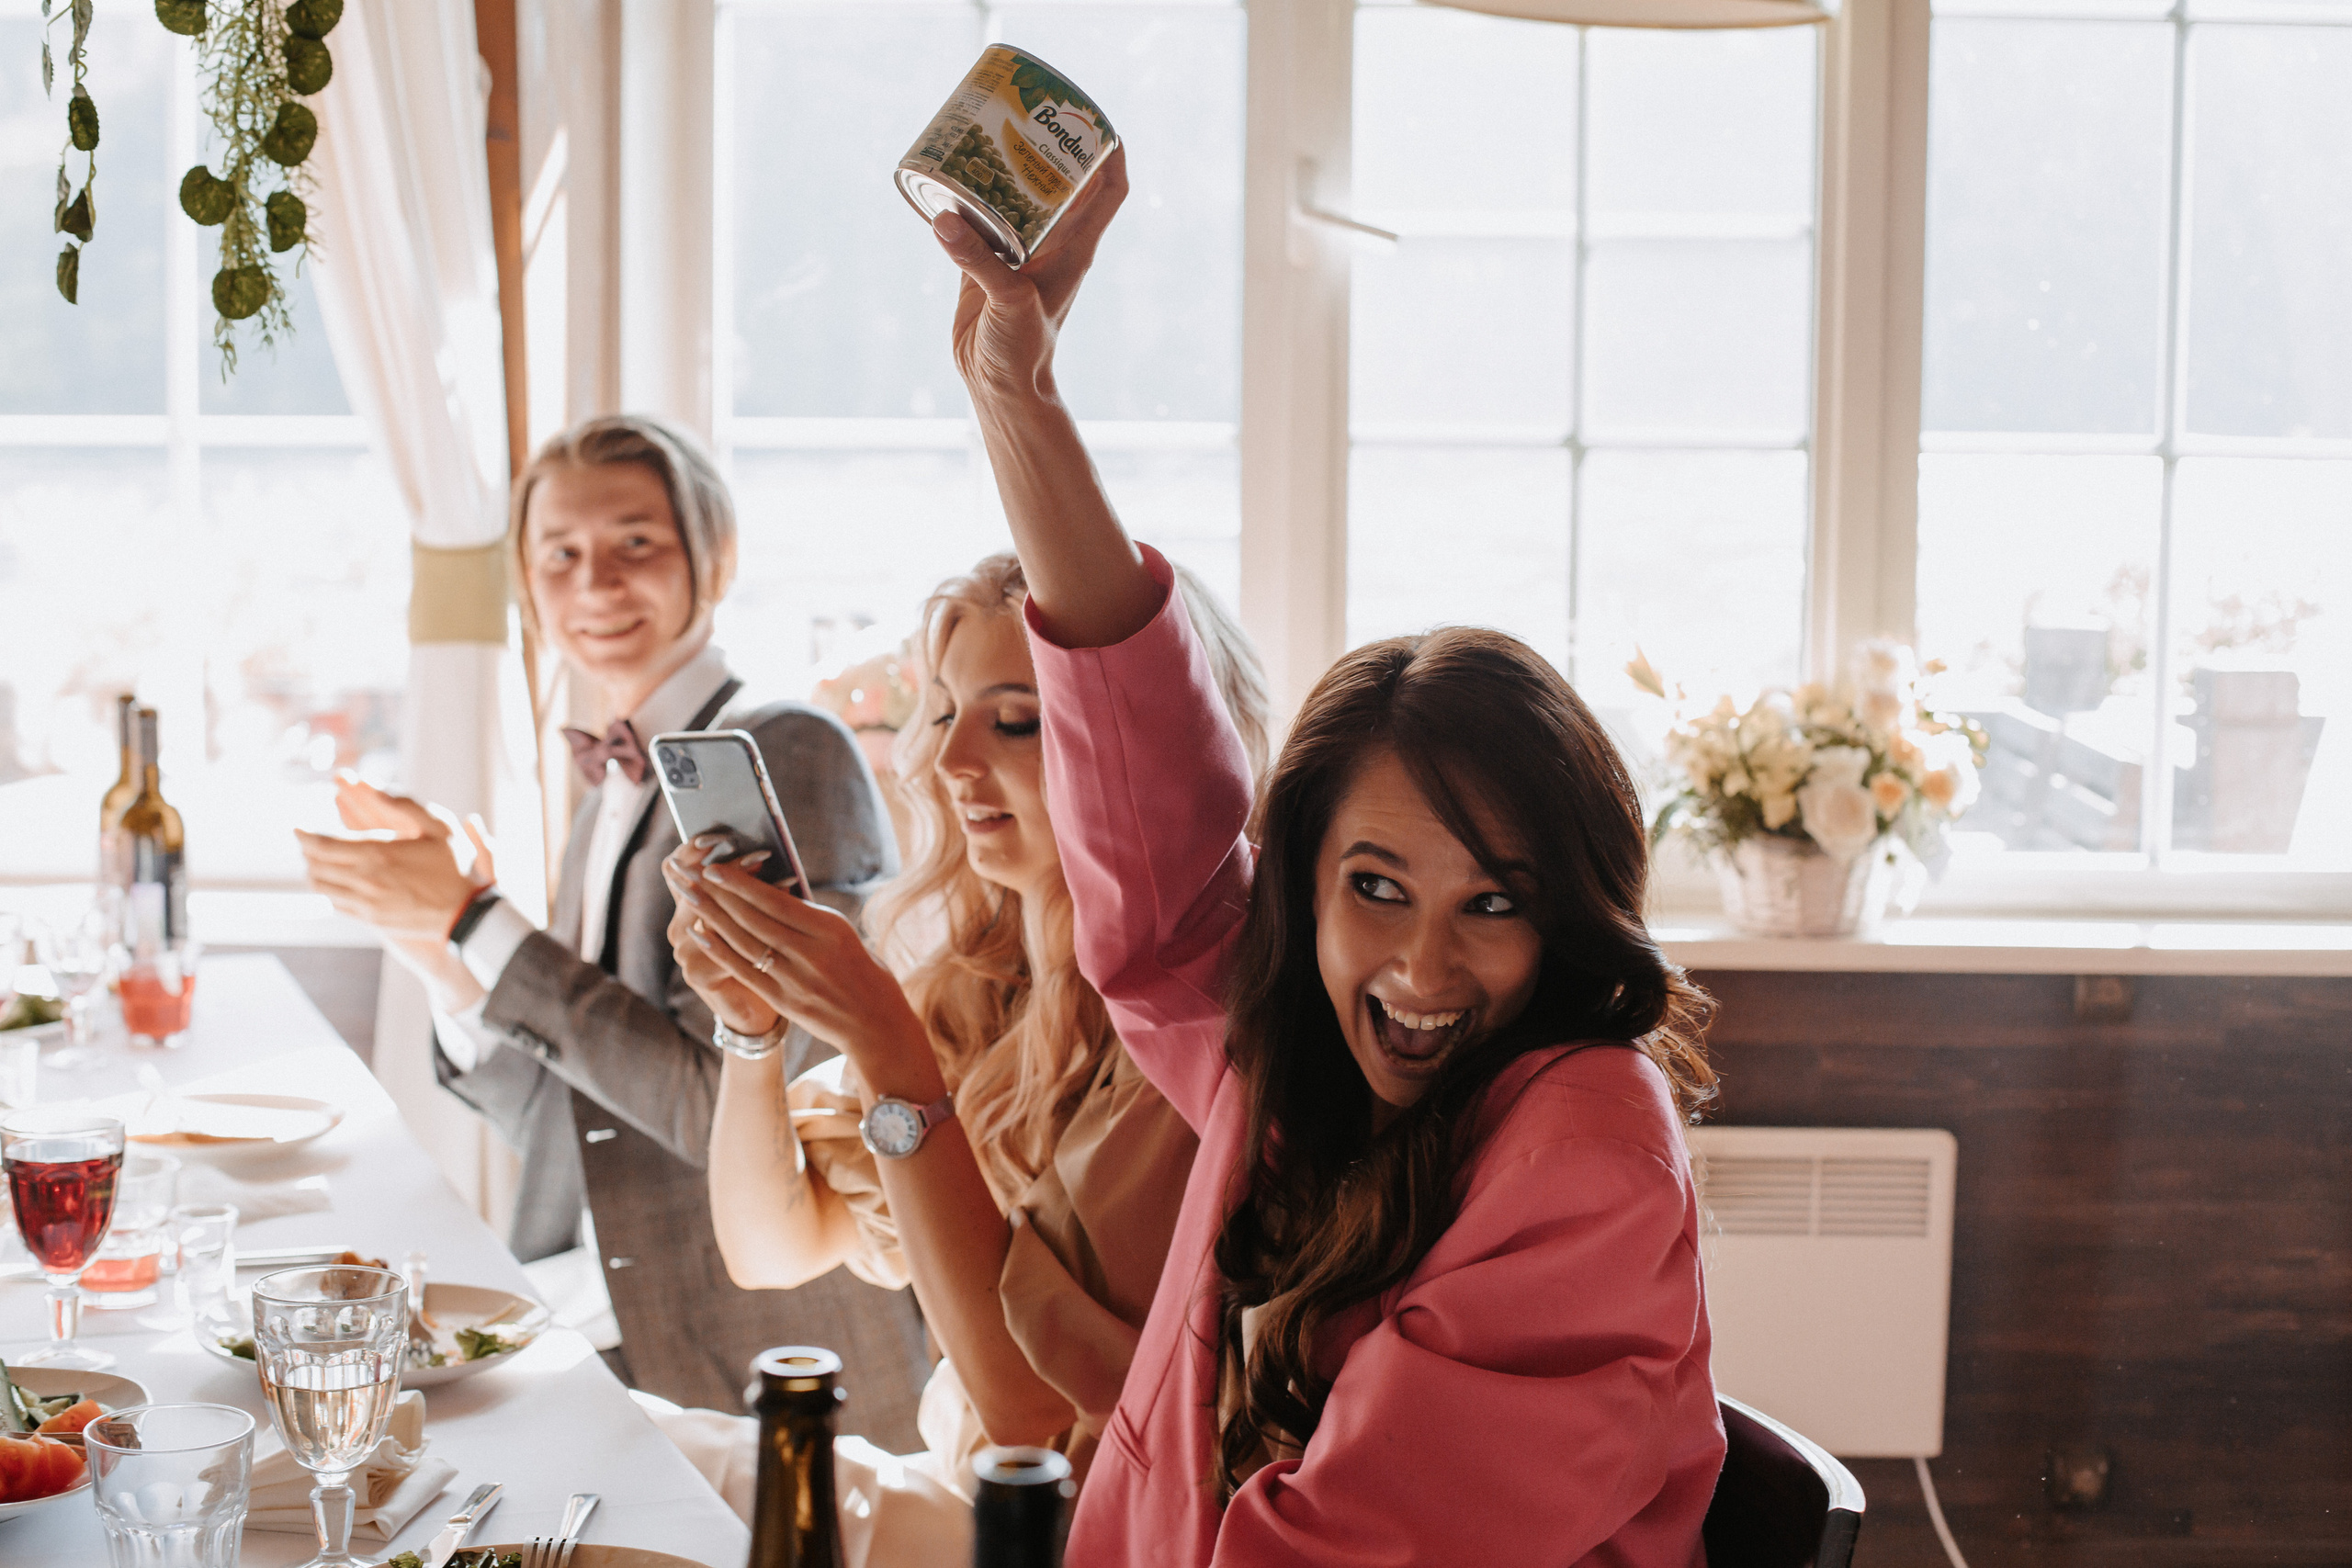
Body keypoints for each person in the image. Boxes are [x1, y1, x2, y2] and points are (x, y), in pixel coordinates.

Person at [925, 150, 1726, 1565]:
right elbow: (1151, 790)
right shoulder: (1286, 1058)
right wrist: (1016, 393)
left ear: (1573, 917)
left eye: (1495, 900)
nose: (1423, 965)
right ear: (1302, 885)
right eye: (1375, 887)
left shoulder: (1587, 1142)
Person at [296, 414, 930, 1426]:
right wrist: (444, 956)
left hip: (770, 1360)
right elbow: (572, 1117)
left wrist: (476, 918)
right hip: (610, 1327)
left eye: (636, 543)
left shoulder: (787, 753)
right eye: (562, 555)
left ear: (713, 558)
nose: (595, 584)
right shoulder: (608, 791)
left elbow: (729, 1102)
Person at [645, 550, 1269, 1566]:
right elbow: (770, 1249)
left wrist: (890, 1056)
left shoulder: (1197, 1048)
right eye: (942, 714)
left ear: (1151, 755)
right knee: (630, 1461)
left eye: (1015, 722)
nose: (946, 762)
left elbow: (1032, 1417)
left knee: (653, 1479)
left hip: (1079, 1533)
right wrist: (752, 1032)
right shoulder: (979, 988)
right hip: (959, 1491)